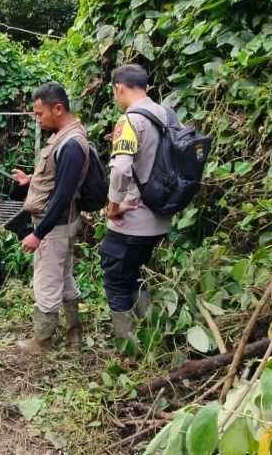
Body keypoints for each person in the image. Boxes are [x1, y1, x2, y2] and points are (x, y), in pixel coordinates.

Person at [10, 82, 88, 353]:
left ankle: (42, 342)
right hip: (63, 223)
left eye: (40, 114)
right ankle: (74, 335)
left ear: (58, 109)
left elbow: (63, 196)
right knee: (65, 277)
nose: (37, 119)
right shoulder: (67, 138)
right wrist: (31, 180)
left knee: (45, 282)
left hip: (54, 226)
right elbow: (60, 181)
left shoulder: (71, 145)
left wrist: (38, 233)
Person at [100, 63, 172, 338]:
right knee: (134, 274)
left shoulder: (129, 121)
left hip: (131, 219)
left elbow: (120, 168)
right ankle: (151, 337)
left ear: (119, 89)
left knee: (116, 279)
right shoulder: (168, 115)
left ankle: (129, 345)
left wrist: (113, 205)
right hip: (160, 218)